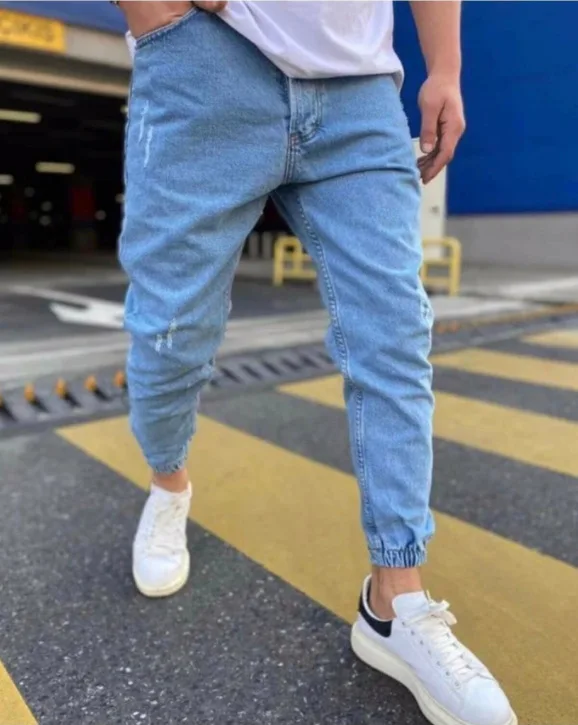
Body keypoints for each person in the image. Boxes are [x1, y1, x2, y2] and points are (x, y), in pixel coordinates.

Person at [116, 2, 516, 724]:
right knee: (172, 332)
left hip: (358, 87)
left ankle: (395, 602)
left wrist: (446, 68)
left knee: (394, 334)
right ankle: (168, 483)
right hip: (204, 62)